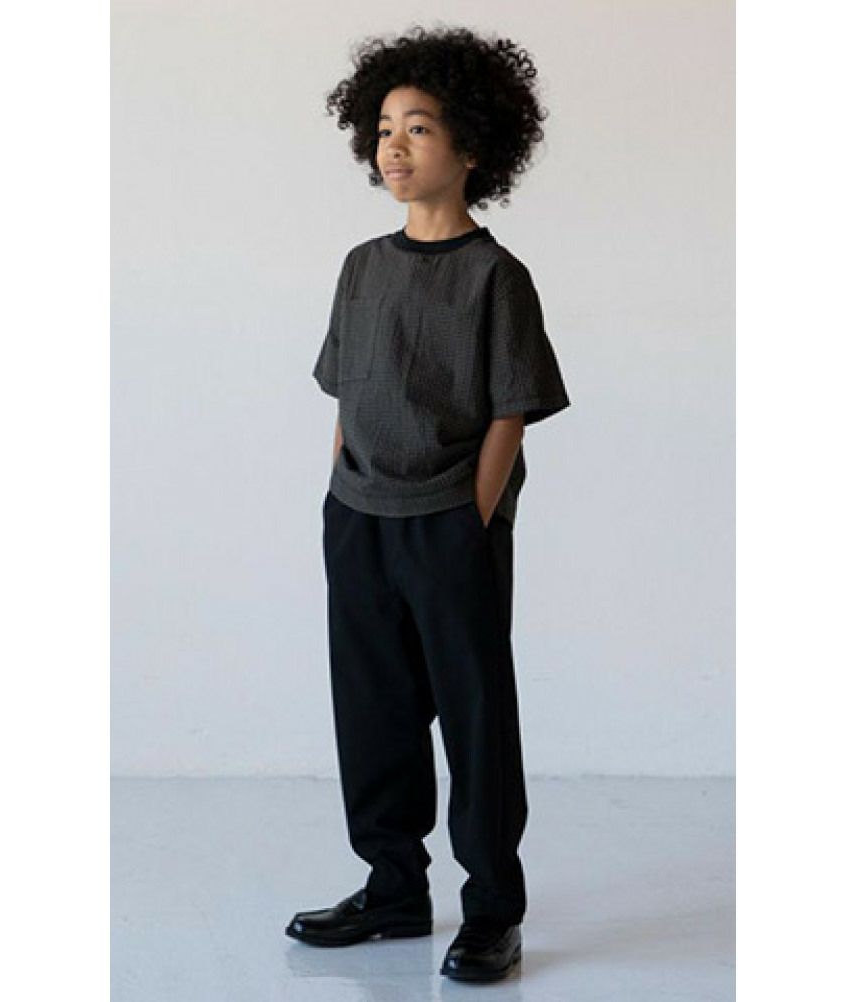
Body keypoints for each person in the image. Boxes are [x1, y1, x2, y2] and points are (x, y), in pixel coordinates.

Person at [284, 25, 572, 983]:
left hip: (450, 524)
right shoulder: (362, 266)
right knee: (373, 711)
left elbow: (511, 409)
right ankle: (394, 889)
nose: (394, 147)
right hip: (358, 517)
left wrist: (471, 517)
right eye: (382, 129)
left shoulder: (497, 277)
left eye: (418, 127)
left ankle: (491, 910)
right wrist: (341, 493)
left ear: (472, 145)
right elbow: (346, 391)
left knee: (474, 719)